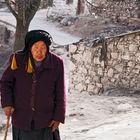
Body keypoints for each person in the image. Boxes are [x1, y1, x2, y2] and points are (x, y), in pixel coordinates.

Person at [0, 30, 66, 140]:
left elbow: (60, 91)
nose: (39, 52)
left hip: (46, 121)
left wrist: (58, 116)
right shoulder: (17, 60)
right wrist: (7, 103)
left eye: (43, 47)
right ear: (29, 47)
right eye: (36, 47)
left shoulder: (56, 63)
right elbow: (5, 82)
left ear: (47, 48)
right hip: (22, 118)